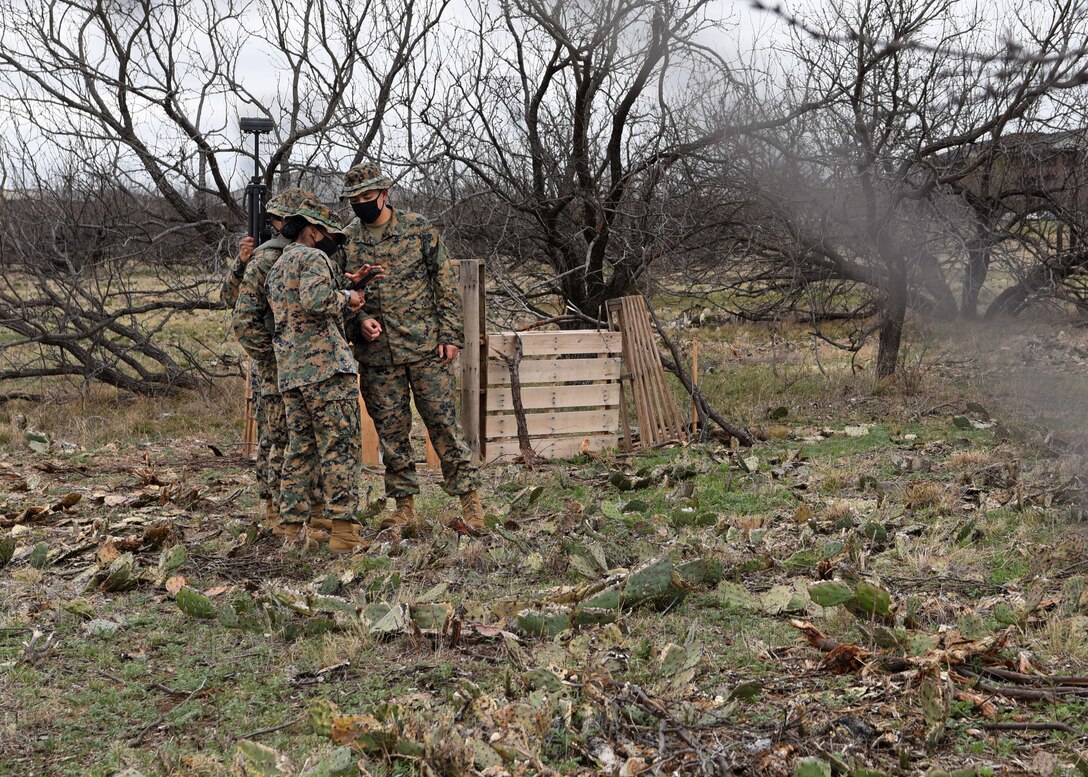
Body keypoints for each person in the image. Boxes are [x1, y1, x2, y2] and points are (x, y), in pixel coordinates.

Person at [340, 161, 485, 536]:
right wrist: (358, 322)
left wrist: (451, 335)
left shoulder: (418, 229)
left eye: (367, 197)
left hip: (425, 348)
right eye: (353, 199)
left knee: (443, 425)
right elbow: (342, 296)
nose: (361, 203)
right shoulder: (347, 242)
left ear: (385, 194)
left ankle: (469, 500)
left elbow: (445, 284)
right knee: (392, 432)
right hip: (378, 356)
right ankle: (403, 507)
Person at [266, 199, 376, 553]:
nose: (332, 241)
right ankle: (344, 532)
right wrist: (350, 298)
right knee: (339, 446)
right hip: (326, 370)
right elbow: (316, 300)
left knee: (300, 451)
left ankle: (291, 530)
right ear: (312, 230)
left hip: (292, 373)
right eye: (328, 233)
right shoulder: (314, 258)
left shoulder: (277, 266)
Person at [231, 188, 318, 532]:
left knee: (301, 438)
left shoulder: (306, 256)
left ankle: (302, 509)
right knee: (276, 437)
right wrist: (271, 354)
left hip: (304, 364)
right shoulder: (266, 259)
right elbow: (238, 310)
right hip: (276, 366)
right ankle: (274, 511)